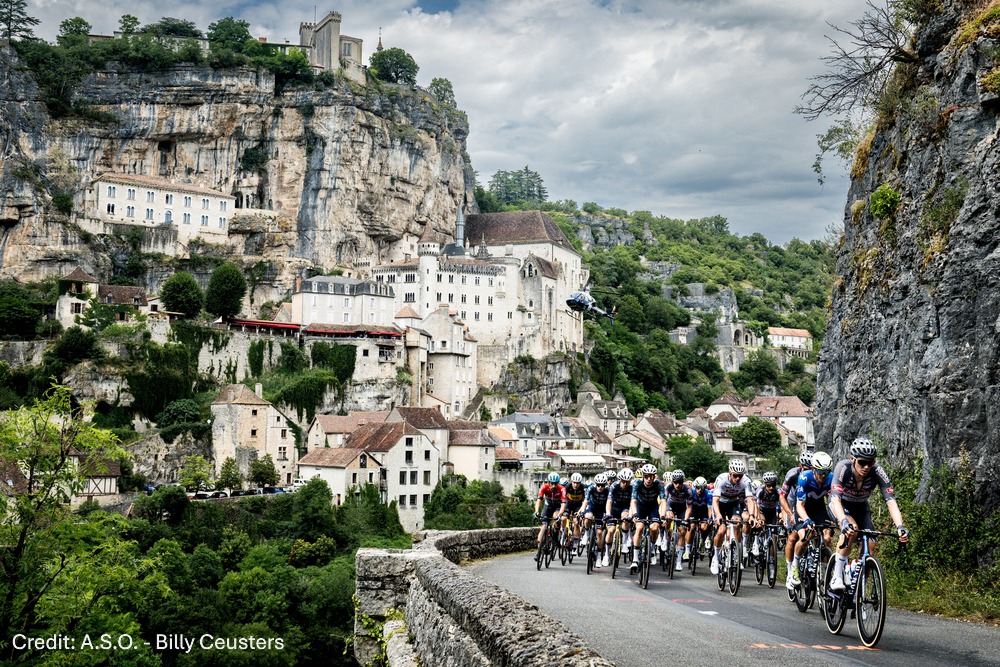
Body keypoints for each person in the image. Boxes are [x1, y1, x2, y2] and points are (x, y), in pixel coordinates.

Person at [827, 437, 909, 591]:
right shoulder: (843, 468)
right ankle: (837, 576)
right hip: (839, 505)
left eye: (870, 462)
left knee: (871, 544)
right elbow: (836, 500)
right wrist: (843, 521)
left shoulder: (877, 471)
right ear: (852, 459)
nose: (866, 467)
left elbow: (891, 501)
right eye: (862, 462)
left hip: (861, 506)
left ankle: (857, 582)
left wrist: (900, 527)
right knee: (851, 529)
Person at [787, 451, 835, 589]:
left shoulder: (830, 478)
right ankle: (794, 568)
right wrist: (806, 519)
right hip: (803, 509)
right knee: (805, 537)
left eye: (826, 472)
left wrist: (835, 518)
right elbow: (799, 505)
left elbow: (832, 501)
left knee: (826, 538)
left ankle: (827, 571)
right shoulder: (804, 477)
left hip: (819, 509)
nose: (823, 476)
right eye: (821, 472)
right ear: (813, 469)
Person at [710, 458, 757, 575]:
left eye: (740, 476)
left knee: (737, 524)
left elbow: (750, 500)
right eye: (735, 476)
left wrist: (751, 516)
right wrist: (719, 515)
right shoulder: (721, 479)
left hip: (733, 503)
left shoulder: (746, 481)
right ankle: (715, 558)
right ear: (729, 473)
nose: (737, 479)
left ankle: (737, 555)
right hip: (720, 503)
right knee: (722, 530)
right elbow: (715, 501)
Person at [779, 451, 812, 581]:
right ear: (800, 466)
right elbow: (782, 496)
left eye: (811, 469)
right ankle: (789, 571)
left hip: (808, 503)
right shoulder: (792, 474)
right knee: (792, 538)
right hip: (792, 503)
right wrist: (790, 514)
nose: (808, 472)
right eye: (805, 469)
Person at [629, 463, 665, 574]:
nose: (649, 479)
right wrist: (634, 514)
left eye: (651, 476)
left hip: (653, 507)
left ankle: (652, 548)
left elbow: (663, 502)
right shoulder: (637, 483)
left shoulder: (659, 484)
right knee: (639, 527)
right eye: (646, 476)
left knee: (655, 528)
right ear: (643, 476)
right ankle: (635, 559)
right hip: (640, 506)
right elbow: (633, 501)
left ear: (654, 476)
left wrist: (663, 516)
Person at [663, 469, 692, 570]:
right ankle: (665, 537)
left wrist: (685, 519)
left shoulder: (687, 489)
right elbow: (664, 501)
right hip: (670, 505)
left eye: (679, 482)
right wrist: (664, 514)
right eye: (675, 482)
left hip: (681, 508)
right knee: (669, 517)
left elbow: (689, 507)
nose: (677, 485)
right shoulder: (669, 487)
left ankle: (679, 561)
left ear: (682, 481)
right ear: (672, 481)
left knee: (682, 532)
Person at [605, 468, 634, 567]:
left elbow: (632, 503)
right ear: (619, 480)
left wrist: (630, 515)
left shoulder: (632, 487)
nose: (625, 484)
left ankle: (625, 542)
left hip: (625, 508)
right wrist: (608, 513)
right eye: (623, 481)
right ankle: (606, 553)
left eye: (627, 482)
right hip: (614, 507)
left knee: (625, 518)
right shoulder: (614, 486)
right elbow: (609, 501)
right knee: (611, 530)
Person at [534, 472, 566, 559]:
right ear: (549, 482)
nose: (553, 486)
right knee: (543, 527)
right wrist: (536, 511)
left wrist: (560, 515)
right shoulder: (544, 487)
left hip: (557, 507)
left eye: (555, 483)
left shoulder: (562, 489)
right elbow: (539, 500)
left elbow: (563, 504)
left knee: (556, 517)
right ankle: (539, 550)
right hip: (548, 506)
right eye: (552, 483)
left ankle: (555, 537)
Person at [583, 473, 610, 567]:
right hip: (592, 507)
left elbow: (610, 502)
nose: (600, 487)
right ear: (595, 484)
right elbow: (585, 501)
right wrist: (582, 511)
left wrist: (607, 514)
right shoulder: (591, 488)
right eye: (598, 485)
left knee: (599, 533)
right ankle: (586, 534)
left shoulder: (608, 490)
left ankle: (599, 556)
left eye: (602, 485)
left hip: (602, 510)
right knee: (587, 517)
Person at [750, 471, 780, 557]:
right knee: (761, 522)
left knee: (774, 536)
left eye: (773, 485)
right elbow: (757, 506)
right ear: (764, 484)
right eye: (768, 485)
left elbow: (783, 505)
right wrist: (757, 518)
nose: (771, 488)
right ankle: (756, 542)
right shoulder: (760, 490)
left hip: (772, 511)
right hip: (762, 510)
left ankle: (771, 559)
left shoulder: (778, 491)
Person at [687, 476, 713, 559]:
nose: (700, 490)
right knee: (691, 527)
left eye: (702, 488)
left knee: (704, 528)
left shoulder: (708, 494)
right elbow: (688, 507)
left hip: (704, 512)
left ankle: (702, 542)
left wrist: (709, 518)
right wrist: (686, 518)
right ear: (695, 487)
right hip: (694, 511)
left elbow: (710, 508)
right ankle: (687, 550)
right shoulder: (691, 493)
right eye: (698, 488)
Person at [564, 472, 587, 548]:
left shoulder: (583, 488)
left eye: (577, 483)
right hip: (569, 504)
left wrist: (580, 511)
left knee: (576, 522)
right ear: (571, 482)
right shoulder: (567, 486)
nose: (576, 485)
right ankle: (562, 532)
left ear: (580, 483)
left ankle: (576, 542)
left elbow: (584, 502)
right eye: (574, 483)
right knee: (563, 517)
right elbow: (563, 499)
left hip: (578, 505)